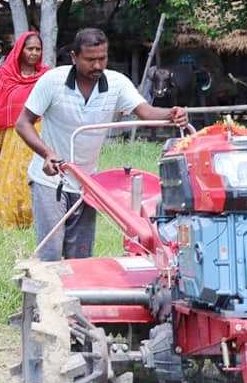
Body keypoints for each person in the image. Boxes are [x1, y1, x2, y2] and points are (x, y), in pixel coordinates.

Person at [16, 28, 188, 261]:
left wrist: (171, 113)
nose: (98, 65)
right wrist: (47, 153)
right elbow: (23, 124)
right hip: (49, 179)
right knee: (50, 254)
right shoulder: (52, 81)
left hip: (88, 183)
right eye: (90, 60)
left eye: (102, 58)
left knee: (81, 256)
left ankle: (76, 297)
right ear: (74, 57)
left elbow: (145, 111)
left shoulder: (116, 84)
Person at [0, 32, 49, 227]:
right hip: (11, 136)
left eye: (38, 49)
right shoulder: (5, 76)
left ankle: (35, 219)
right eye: (30, 49)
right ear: (20, 50)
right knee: (10, 177)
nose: (34, 53)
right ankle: (9, 219)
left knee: (35, 175)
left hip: (38, 135)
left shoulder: (46, 76)